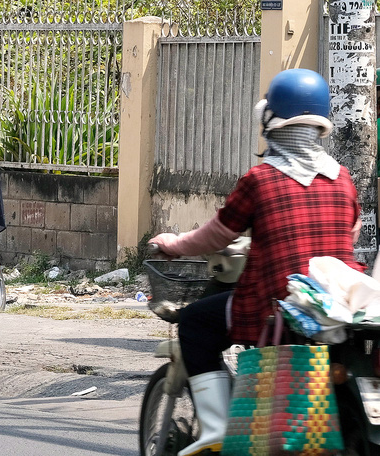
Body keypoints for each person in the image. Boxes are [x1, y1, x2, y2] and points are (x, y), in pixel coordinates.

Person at [148, 68, 363, 456]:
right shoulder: (343, 179)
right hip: (338, 307)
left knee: (196, 322)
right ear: (320, 127)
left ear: (272, 124)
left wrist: (174, 244)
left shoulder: (261, 179)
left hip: (277, 305)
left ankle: (214, 429)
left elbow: (217, 235)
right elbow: (349, 236)